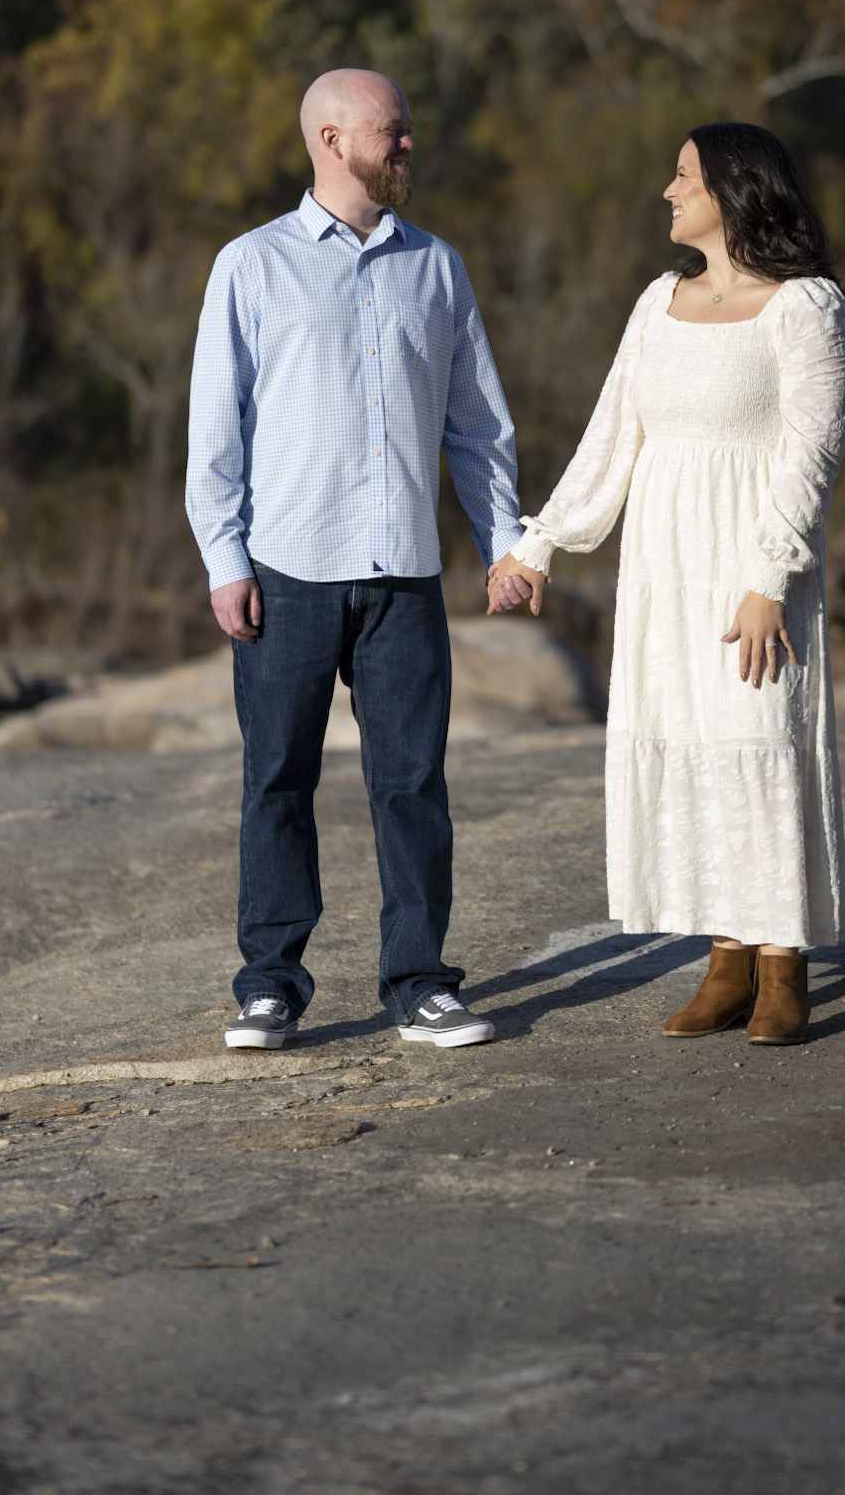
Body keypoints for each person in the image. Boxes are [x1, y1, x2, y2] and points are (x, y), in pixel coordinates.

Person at [488, 122, 845, 1044]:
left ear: (735, 192)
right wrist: (540, 544)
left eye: (684, 176)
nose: (666, 190)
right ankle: (725, 961)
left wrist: (768, 575)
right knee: (692, 751)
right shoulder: (659, 301)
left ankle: (782, 967)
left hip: (748, 562)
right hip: (662, 564)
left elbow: (811, 452)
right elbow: (614, 434)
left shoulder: (805, 305)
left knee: (757, 742)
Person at [186, 68, 524, 1051]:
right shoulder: (251, 265)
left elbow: (479, 425)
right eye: (395, 131)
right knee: (277, 779)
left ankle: (420, 981)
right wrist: (224, 558)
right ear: (331, 138)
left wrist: (503, 542)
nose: (410, 145)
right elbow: (216, 428)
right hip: (286, 568)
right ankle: (270, 984)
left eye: (410, 130)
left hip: (405, 574)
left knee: (412, 781)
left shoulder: (438, 268)